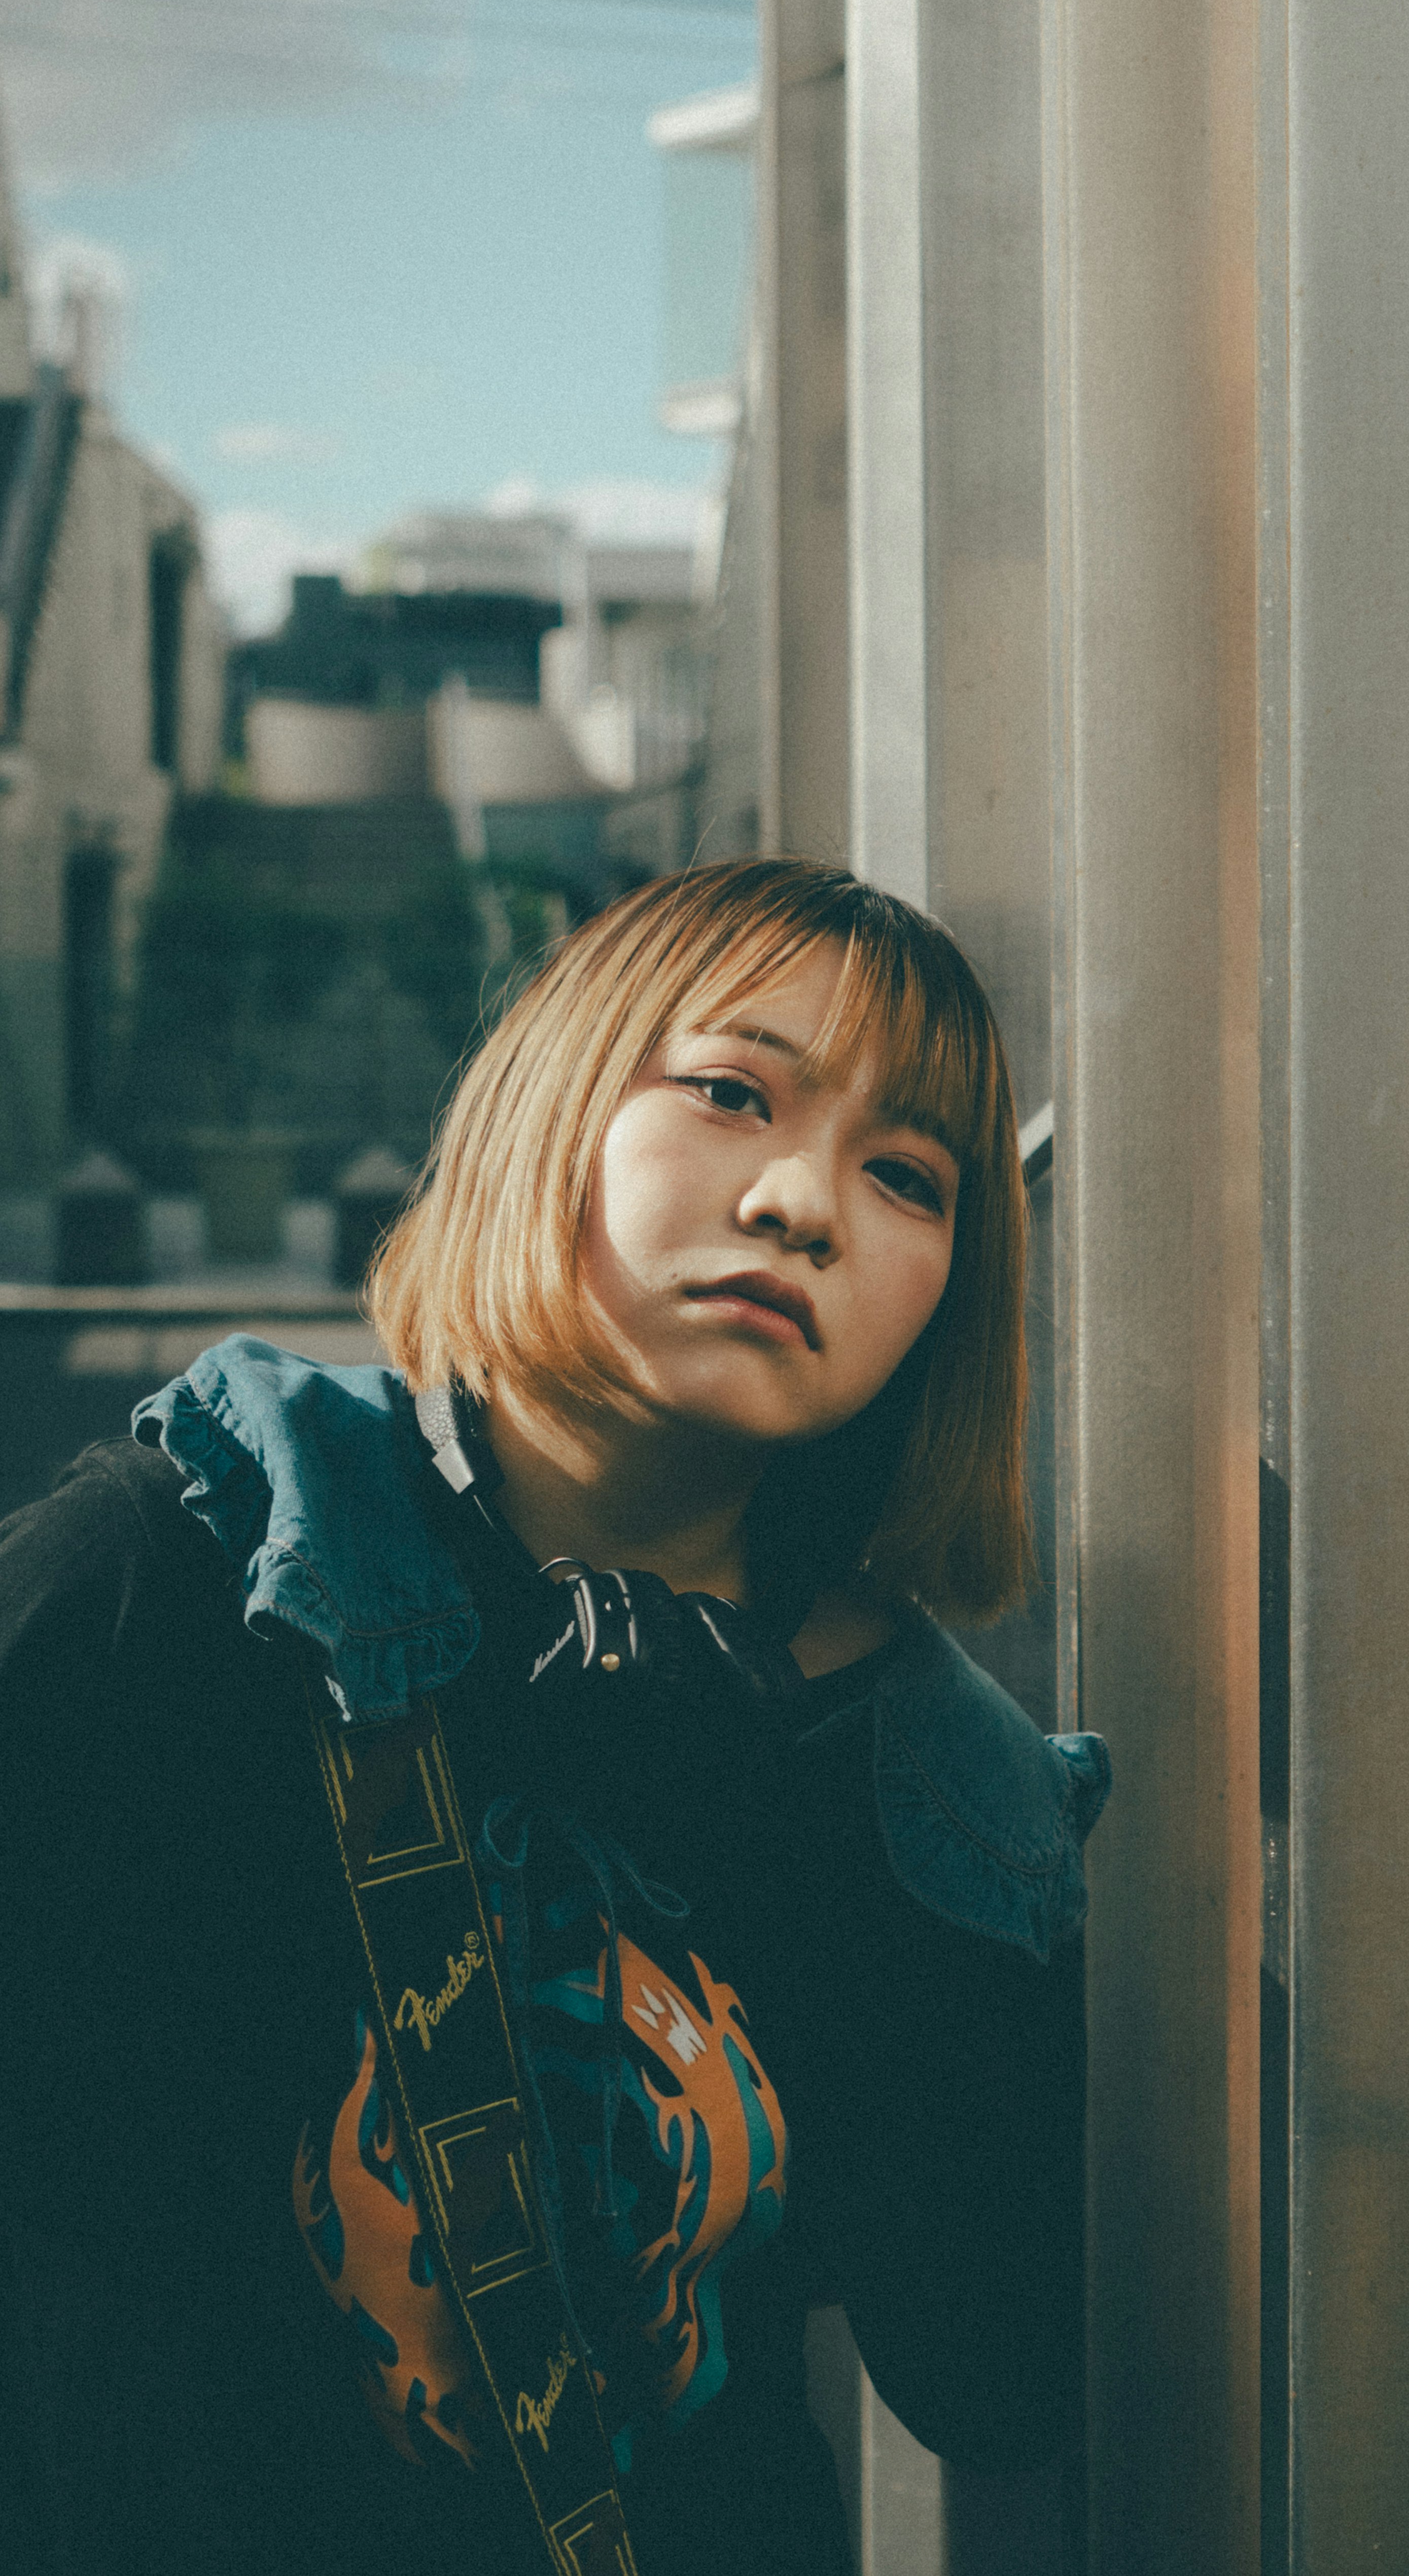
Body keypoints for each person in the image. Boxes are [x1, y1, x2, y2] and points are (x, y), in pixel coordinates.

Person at [0, 858, 1107, 2576]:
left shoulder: (929, 1789)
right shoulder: (192, 1563)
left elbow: (992, 2376)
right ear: (557, 1107)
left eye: (909, 1177)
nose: (804, 1202)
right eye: (733, 1093)